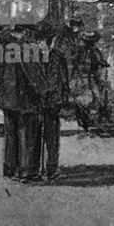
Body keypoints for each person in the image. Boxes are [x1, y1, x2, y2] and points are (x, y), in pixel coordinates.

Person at [0, 25, 42, 180]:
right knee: (28, 133)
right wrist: (43, 89)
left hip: (7, 97)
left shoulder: (2, 47)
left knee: (11, 134)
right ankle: (27, 171)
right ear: (25, 31)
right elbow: (33, 75)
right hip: (24, 97)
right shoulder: (24, 47)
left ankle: (10, 168)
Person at [35, 24, 70, 180]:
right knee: (52, 135)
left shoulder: (31, 54)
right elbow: (63, 79)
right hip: (53, 99)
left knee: (37, 134)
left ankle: (40, 167)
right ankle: (51, 167)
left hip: (38, 99)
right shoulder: (58, 56)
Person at [69, 30, 110, 131]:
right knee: (90, 97)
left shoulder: (87, 50)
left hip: (85, 77)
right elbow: (99, 61)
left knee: (88, 98)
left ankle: (87, 119)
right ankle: (86, 119)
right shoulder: (88, 50)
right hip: (85, 77)